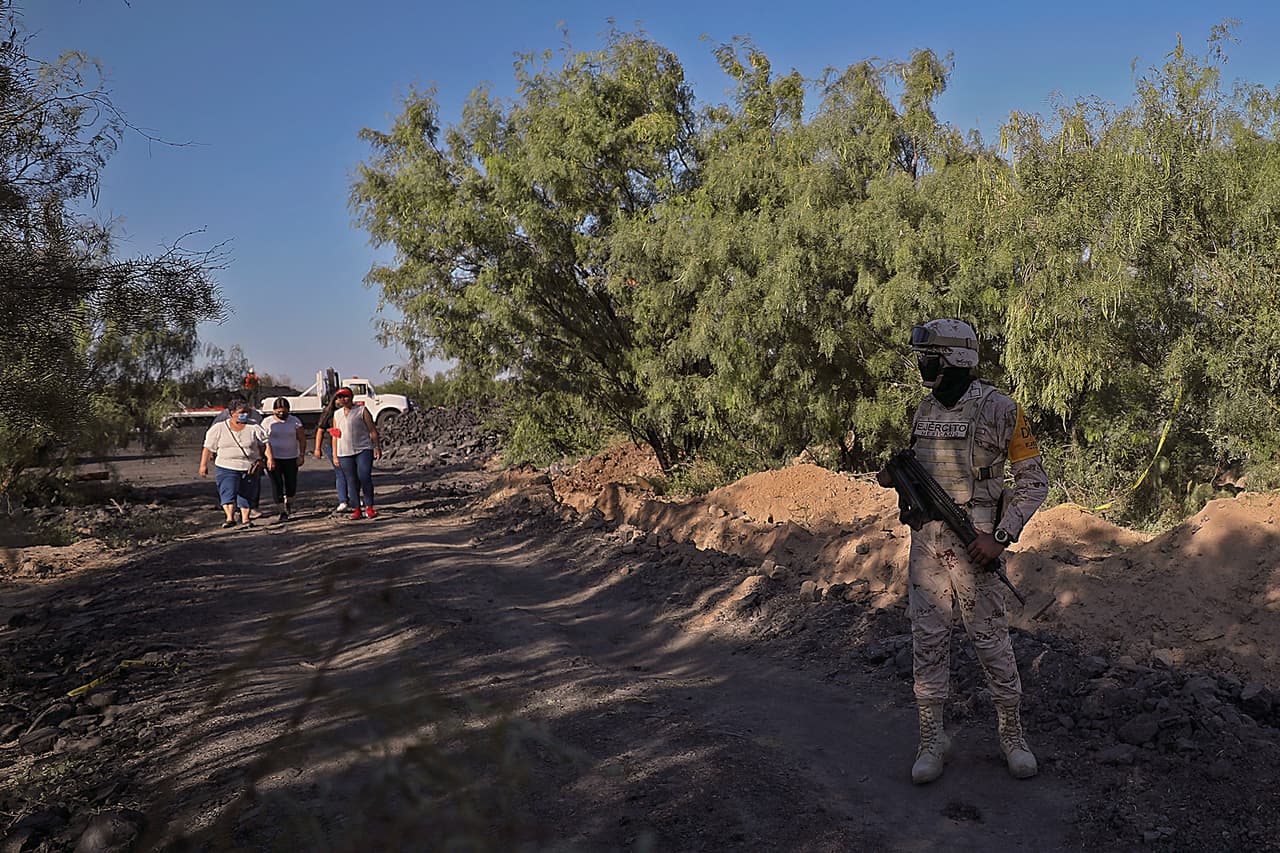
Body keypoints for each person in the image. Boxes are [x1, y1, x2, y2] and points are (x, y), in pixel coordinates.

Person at [877, 318, 1048, 785]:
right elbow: (914, 471)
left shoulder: (1002, 409)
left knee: (991, 641)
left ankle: (1012, 735)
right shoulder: (924, 409)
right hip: (927, 544)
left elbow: (1034, 483)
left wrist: (1001, 536)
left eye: (929, 356)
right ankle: (931, 738)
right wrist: (894, 478)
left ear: (953, 358)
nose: (922, 364)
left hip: (977, 545)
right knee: (928, 640)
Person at [199, 401, 274, 528]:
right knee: (228, 491)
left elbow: (265, 443)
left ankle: (245, 519)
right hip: (226, 466)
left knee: (248, 492)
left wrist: (269, 459)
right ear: (232, 413)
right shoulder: (219, 428)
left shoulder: (254, 426)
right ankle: (230, 518)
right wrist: (203, 465)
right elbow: (208, 447)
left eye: (247, 412)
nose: (245, 415)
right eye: (241, 412)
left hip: (249, 467)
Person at [331, 386, 381, 519]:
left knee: (364, 477)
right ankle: (356, 509)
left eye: (345, 396)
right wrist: (335, 455)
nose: (343, 399)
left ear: (351, 397)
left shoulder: (361, 410)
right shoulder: (337, 414)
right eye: (340, 397)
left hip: (363, 449)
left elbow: (372, 430)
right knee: (351, 480)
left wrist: (376, 447)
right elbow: (335, 435)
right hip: (344, 452)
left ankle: (369, 507)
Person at [263, 397, 306, 521]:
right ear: (274, 411)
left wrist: (301, 455)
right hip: (273, 458)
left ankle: (289, 502)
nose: (282, 414)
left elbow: (302, 439)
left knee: (291, 485)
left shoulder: (295, 421)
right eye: (279, 412)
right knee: (277, 485)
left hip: (291, 457)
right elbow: (263, 441)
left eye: (284, 411)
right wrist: (268, 458)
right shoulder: (267, 422)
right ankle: (282, 511)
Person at [312, 394, 353, 513]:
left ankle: (354, 497)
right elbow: (320, 430)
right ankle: (343, 500)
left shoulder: (352, 412)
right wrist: (317, 448)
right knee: (340, 472)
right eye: (338, 398)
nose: (341, 400)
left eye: (343, 398)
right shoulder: (329, 413)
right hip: (332, 445)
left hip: (349, 445)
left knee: (351, 472)